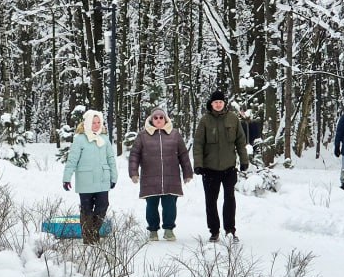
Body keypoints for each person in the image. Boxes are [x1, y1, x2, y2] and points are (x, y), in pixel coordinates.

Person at [128, 108, 194, 242]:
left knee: (170, 205)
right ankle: (153, 230)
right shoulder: (143, 136)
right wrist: (134, 172)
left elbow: (183, 155)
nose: (158, 119)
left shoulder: (175, 134)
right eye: (156, 117)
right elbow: (134, 155)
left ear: (165, 119)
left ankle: (169, 230)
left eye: (161, 117)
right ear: (151, 120)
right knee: (151, 206)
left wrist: (187, 172)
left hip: (171, 177)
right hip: (150, 178)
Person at [193, 90, 249, 243]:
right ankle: (214, 231)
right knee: (211, 201)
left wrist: (244, 160)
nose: (218, 105)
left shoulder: (233, 119)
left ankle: (230, 230)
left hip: (229, 168)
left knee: (229, 200)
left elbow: (240, 141)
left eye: (220, 102)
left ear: (224, 103)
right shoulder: (205, 121)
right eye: (215, 102)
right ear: (211, 104)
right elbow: (198, 144)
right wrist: (198, 164)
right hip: (209, 169)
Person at [62, 109, 117, 245]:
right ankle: (88, 239)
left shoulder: (104, 139)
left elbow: (111, 158)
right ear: (87, 123)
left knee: (103, 205)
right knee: (86, 209)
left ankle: (93, 232)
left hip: (102, 179)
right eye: (93, 122)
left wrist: (113, 176)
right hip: (85, 180)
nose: (97, 125)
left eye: (98, 122)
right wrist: (67, 178)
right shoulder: (80, 139)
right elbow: (72, 160)